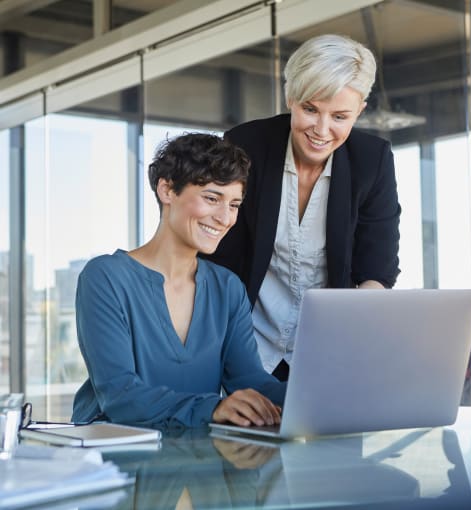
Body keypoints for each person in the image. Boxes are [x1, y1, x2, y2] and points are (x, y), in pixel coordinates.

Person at [207, 34, 401, 381]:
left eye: (340, 116)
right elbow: (218, 260)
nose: (322, 131)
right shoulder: (246, 145)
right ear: (290, 98)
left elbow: (378, 268)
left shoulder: (373, 161)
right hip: (245, 346)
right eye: (310, 109)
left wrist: (358, 319)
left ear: (360, 111)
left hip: (328, 353)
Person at [71, 133, 285, 430]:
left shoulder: (227, 287)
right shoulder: (105, 278)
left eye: (234, 204)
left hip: (196, 464)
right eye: (212, 198)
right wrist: (214, 407)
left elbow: (249, 380)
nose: (225, 218)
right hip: (116, 461)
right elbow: (119, 395)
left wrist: (312, 397)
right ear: (167, 190)